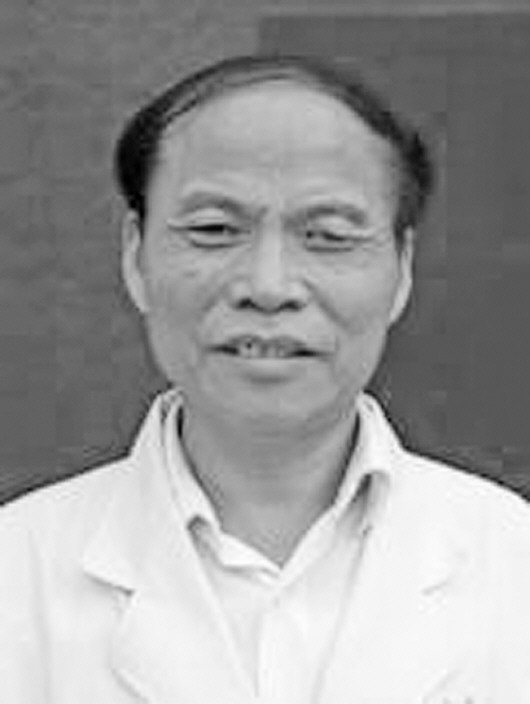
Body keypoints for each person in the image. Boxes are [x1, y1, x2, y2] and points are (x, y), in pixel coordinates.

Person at [1, 54, 529, 704]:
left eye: (329, 236)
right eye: (214, 230)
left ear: (402, 268)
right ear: (136, 257)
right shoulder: (15, 572)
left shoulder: (514, 562)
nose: (269, 286)